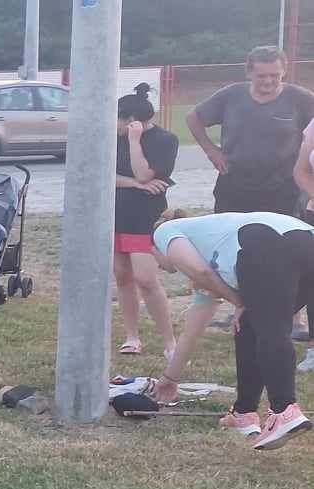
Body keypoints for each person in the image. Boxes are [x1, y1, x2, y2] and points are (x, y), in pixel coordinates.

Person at [154, 212, 314, 449]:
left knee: (270, 329)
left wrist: (238, 301)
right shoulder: (212, 256)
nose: (158, 265)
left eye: (154, 256)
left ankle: (285, 411)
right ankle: (243, 413)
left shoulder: (164, 231)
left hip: (267, 240)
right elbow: (191, 332)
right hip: (307, 240)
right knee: (250, 324)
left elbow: (201, 272)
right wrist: (170, 379)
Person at [190, 46, 314, 216]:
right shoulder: (231, 95)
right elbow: (193, 118)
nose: (268, 81)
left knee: (279, 233)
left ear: (284, 71)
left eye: (274, 75)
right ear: (249, 73)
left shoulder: (301, 98)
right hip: (234, 184)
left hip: (284, 187)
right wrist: (211, 150)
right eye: (261, 76)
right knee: (231, 231)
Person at [111, 84, 178, 361]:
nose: (114, 124)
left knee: (146, 279)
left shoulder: (166, 140)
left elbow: (143, 173)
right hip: (116, 213)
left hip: (145, 216)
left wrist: (134, 141)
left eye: (118, 118)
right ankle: (132, 337)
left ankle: (170, 342)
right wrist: (135, 185)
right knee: (122, 276)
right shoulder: (111, 138)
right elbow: (103, 175)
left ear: (132, 121)